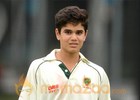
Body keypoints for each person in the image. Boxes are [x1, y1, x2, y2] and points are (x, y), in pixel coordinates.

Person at [18, 6, 111, 100]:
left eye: (79, 33)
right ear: (58, 34)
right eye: (68, 32)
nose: (74, 38)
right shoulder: (38, 68)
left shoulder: (98, 73)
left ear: (85, 35)